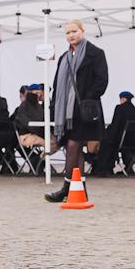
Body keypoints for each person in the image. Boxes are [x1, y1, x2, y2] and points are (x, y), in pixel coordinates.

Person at [44, 20, 109, 202]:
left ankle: (66, 187)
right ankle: (80, 189)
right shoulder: (64, 57)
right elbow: (57, 85)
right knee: (75, 149)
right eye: (67, 33)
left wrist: (88, 97)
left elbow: (102, 80)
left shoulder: (95, 53)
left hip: (84, 110)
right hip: (67, 112)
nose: (71, 35)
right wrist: (54, 106)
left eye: (74, 31)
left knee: (73, 145)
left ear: (82, 31)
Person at [101, 89, 135, 177]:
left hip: (122, 141)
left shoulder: (119, 108)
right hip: (134, 142)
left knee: (106, 143)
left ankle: (105, 168)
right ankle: (128, 168)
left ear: (123, 99)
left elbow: (115, 125)